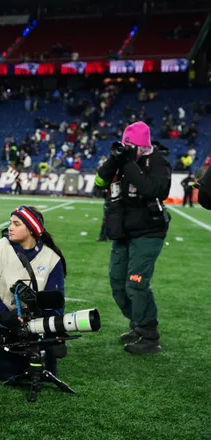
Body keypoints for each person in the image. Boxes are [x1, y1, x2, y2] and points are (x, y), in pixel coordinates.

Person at [95, 121, 171, 354]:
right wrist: (113, 160)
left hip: (149, 231)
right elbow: (99, 183)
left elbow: (155, 190)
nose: (128, 149)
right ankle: (138, 322)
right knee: (118, 284)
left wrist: (128, 164)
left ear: (143, 147)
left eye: (132, 146)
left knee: (136, 284)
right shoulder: (121, 160)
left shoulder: (157, 161)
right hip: (123, 232)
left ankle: (149, 335)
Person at [0, 206, 66, 381]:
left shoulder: (51, 258)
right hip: (0, 323)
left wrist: (54, 332)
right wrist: (4, 316)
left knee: (46, 371)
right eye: (10, 223)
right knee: (8, 373)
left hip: (34, 326)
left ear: (31, 229)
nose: (10, 227)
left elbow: (55, 300)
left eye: (16, 223)